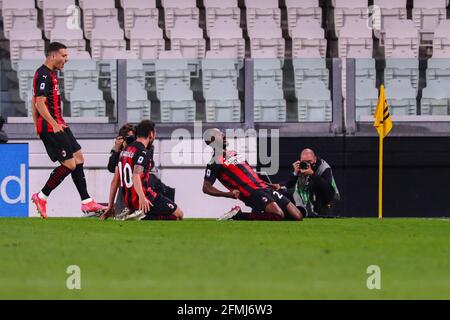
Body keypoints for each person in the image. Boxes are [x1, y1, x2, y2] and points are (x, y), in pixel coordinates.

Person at [30, 42, 107, 219]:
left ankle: (87, 202)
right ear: (53, 56)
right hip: (52, 126)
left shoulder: (50, 74)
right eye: (64, 56)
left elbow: (34, 101)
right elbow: (39, 103)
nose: (67, 59)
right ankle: (41, 196)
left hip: (58, 124)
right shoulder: (43, 75)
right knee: (70, 164)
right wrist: (50, 124)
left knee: (79, 157)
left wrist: (37, 124)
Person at [202, 128, 303, 221]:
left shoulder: (234, 153)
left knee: (297, 216)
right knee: (278, 214)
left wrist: (268, 184)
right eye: (219, 135)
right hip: (250, 192)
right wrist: (227, 194)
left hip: (264, 187)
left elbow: (250, 175)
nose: (223, 136)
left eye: (222, 133)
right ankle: (237, 215)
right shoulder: (214, 162)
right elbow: (206, 187)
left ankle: (262, 215)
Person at [102, 120, 183, 221]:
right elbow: (136, 175)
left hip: (128, 201)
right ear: (151, 134)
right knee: (178, 215)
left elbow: (115, 181)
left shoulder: (124, 151)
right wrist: (142, 197)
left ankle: (137, 213)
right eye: (155, 133)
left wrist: (110, 206)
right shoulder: (143, 152)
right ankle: (142, 215)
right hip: (144, 196)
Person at [272, 148, 340, 217]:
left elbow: (328, 192)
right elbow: (289, 184)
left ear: (315, 159)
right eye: (304, 161)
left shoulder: (324, 168)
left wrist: (312, 174)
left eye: (309, 161)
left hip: (325, 201)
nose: (307, 164)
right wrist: (295, 173)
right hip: (307, 201)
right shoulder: (300, 166)